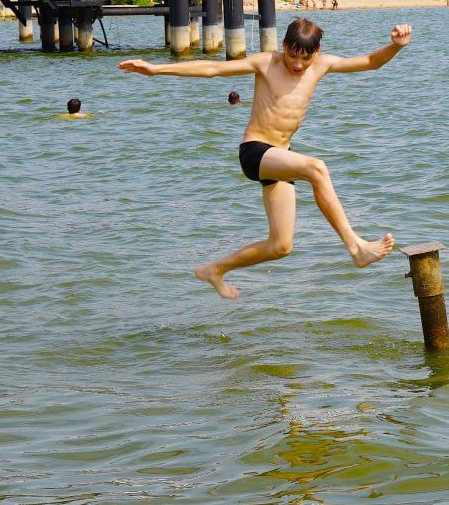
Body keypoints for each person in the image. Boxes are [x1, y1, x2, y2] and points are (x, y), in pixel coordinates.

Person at [118, 18, 413, 299]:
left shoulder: (323, 64)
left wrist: (396, 46)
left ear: (316, 53)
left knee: (280, 246)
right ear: (284, 45)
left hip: (279, 160)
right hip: (255, 152)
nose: (298, 65)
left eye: (305, 59)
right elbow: (212, 69)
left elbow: (371, 62)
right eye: (292, 56)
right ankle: (355, 246)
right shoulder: (266, 62)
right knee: (316, 168)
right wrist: (156, 69)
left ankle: (214, 270)